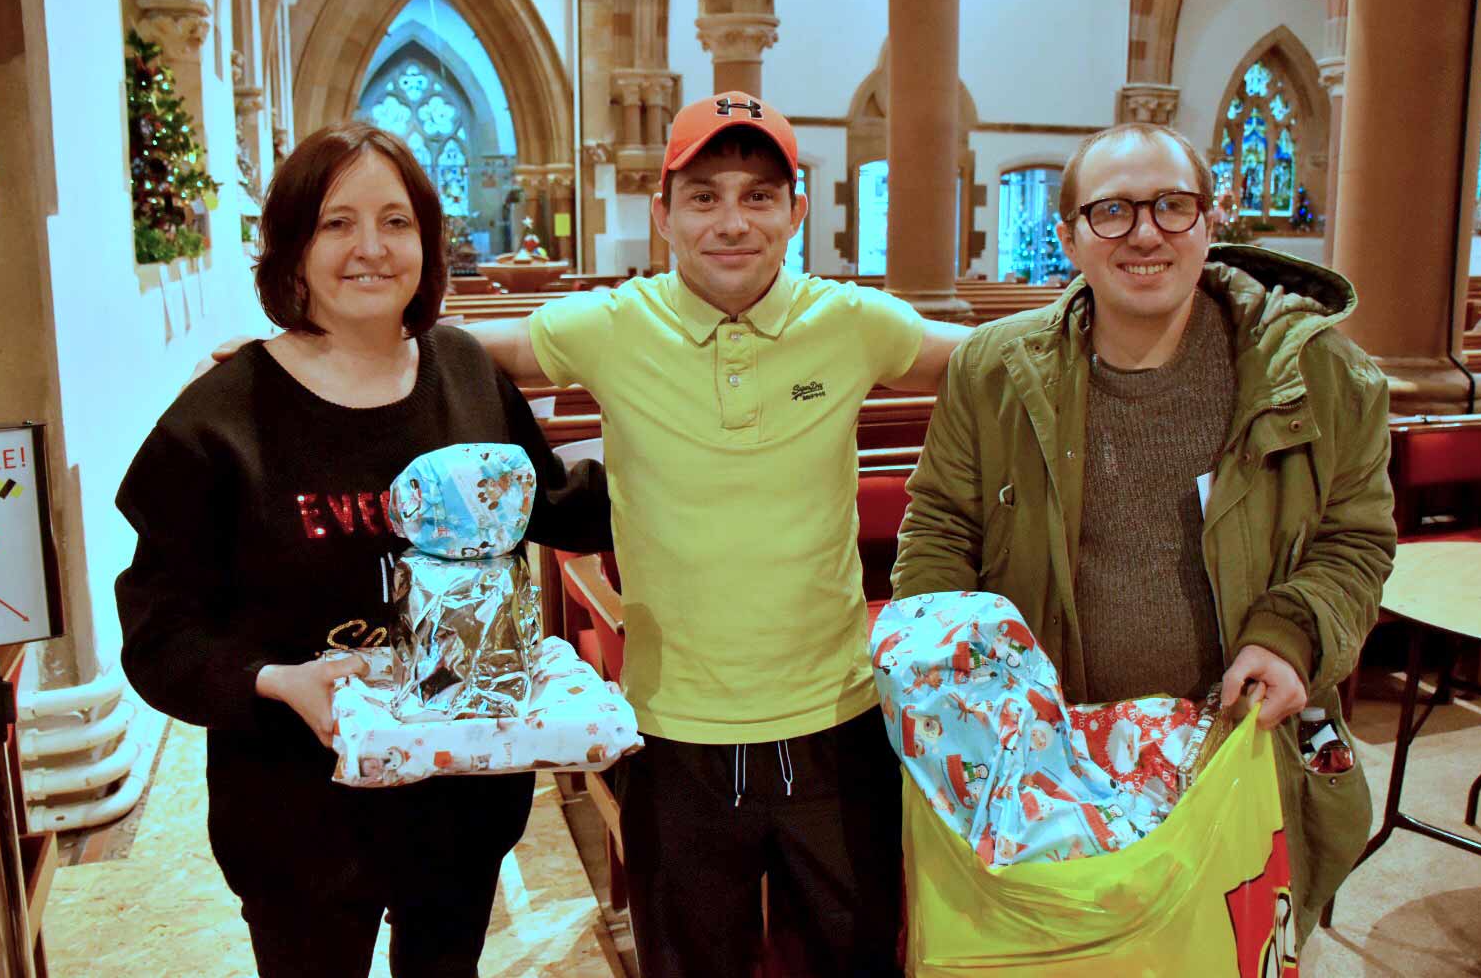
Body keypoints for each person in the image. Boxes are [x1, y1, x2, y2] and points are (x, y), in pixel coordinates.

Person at [468, 92, 965, 977]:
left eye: (759, 195)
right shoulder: (612, 326)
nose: (732, 222)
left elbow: (992, 355)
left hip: (836, 721)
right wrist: (305, 351)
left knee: (853, 958)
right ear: (663, 215)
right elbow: (472, 352)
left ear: (796, 211)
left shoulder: (852, 322)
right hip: (673, 730)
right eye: (703, 196)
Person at [115, 122, 610, 978]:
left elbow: (553, 506)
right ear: (293, 247)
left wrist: (710, 449)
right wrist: (277, 682)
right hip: (298, 811)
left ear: (427, 239)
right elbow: (159, 638)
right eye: (336, 223)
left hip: (462, 797)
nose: (370, 248)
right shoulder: (221, 421)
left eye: (395, 221)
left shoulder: (463, 373)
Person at [892, 120, 1395, 945]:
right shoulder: (993, 370)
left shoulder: (1320, 377)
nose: (1146, 233)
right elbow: (942, 523)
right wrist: (957, 686)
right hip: (1046, 767)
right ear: (1070, 238)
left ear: (1210, 221)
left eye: (1171, 205)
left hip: (1229, 753)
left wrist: (1291, 636)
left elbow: (1356, 539)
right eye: (1112, 212)